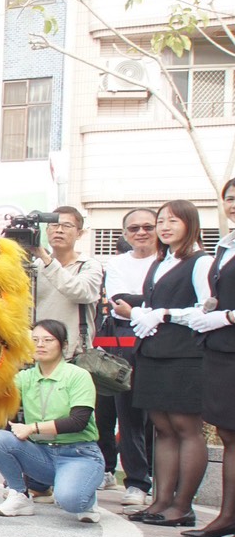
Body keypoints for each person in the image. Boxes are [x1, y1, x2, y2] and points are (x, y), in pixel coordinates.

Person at [112, 199, 215, 527]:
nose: (165, 227)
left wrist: (160, 314)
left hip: (185, 354)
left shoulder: (201, 261)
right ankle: (160, 501)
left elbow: (207, 308)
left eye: (173, 221)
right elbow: (154, 302)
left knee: (187, 429)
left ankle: (182, 506)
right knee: (162, 429)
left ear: (190, 224)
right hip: (152, 352)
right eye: (162, 221)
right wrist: (142, 311)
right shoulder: (161, 262)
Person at [0, 320, 106, 523]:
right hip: (43, 454)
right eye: (35, 340)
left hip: (78, 454)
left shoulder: (78, 375)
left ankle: (85, 496)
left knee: (71, 501)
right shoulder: (26, 377)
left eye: (48, 340)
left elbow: (79, 421)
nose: (40, 345)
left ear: (64, 345)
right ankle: (19, 495)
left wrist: (32, 428)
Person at [178, 178, 235, 537]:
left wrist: (226, 317)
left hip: (228, 336)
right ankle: (228, 516)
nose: (233, 204)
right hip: (220, 349)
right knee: (229, 435)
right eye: (230, 198)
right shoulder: (226, 245)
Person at [96, 208, 160, 509]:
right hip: (125, 344)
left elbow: (174, 302)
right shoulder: (118, 262)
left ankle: (159, 480)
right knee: (129, 413)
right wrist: (153, 303)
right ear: (125, 234)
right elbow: (119, 300)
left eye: (148, 226)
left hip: (165, 343)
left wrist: (140, 304)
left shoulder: (169, 261)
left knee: (162, 419)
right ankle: (136, 482)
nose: (141, 232)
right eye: (134, 228)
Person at [27, 206, 104, 359]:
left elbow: (80, 292)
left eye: (67, 226)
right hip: (37, 354)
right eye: (54, 225)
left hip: (74, 356)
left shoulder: (88, 265)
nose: (59, 230)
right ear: (47, 230)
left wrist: (45, 258)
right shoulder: (35, 267)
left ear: (79, 233)